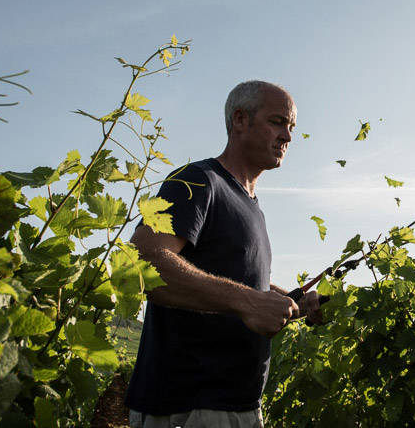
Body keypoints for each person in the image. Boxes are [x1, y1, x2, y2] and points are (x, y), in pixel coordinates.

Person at [124, 81, 323, 428]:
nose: (288, 136)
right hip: (190, 408)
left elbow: (235, 279)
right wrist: (250, 302)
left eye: (291, 127)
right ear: (240, 120)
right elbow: (140, 264)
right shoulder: (198, 181)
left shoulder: (252, 207)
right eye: (278, 122)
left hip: (238, 406)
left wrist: (286, 300)